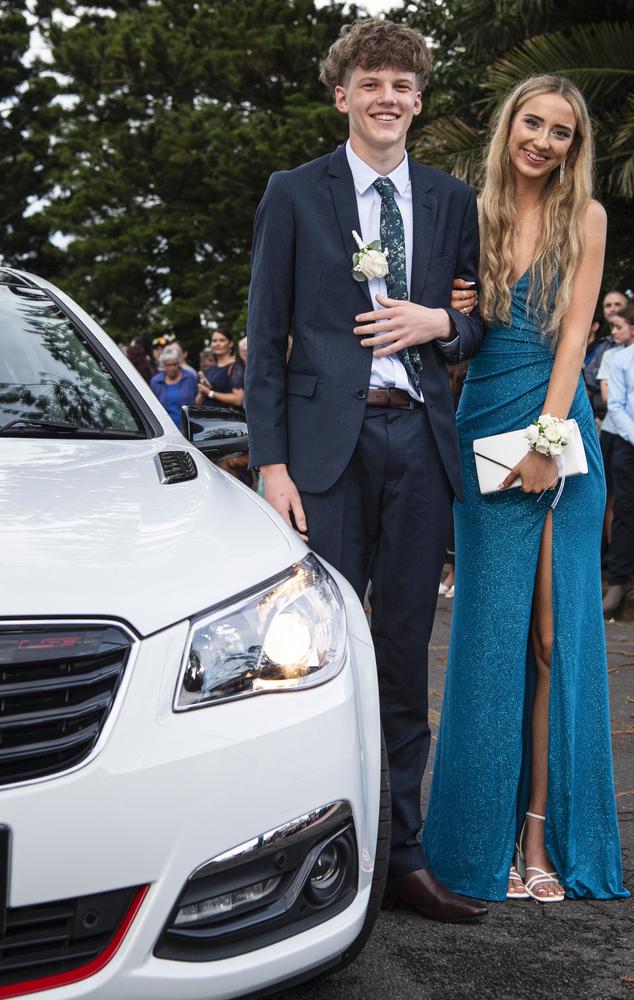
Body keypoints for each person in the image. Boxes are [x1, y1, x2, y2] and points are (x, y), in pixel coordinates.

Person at [246, 18, 486, 922]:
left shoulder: (450, 198)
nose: (389, 97)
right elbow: (266, 337)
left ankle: (403, 854)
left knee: (401, 648)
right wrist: (272, 463)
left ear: (420, 102)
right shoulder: (293, 193)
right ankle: (305, 849)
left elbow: (475, 322)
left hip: (421, 445)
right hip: (322, 457)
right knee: (314, 651)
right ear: (342, 94)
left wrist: (440, 325)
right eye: (371, 82)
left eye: (404, 85)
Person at [423, 76, 628, 903]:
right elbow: (456, 343)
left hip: (559, 430)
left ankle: (541, 833)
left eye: (562, 132)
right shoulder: (464, 212)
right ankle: (481, 836)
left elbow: (577, 333)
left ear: (576, 147)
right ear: (509, 126)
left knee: (554, 641)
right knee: (490, 639)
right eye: (532, 123)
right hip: (483, 428)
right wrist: (451, 313)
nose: (542, 141)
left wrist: (550, 439)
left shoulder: (588, 218)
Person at [602, 306, 634, 616]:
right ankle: (618, 582)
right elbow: (617, 405)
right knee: (624, 508)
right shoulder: (621, 359)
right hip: (627, 442)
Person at [149, 345, 198, 430]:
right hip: (165, 429)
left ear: (178, 363)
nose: (172, 368)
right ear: (163, 365)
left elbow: (197, 403)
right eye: (169, 365)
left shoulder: (190, 378)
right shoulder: (156, 382)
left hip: (188, 428)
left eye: (174, 364)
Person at [196, 330, 245, 411]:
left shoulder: (236, 367)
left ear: (230, 344)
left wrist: (210, 393)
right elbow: (197, 403)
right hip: (207, 420)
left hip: (226, 421)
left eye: (222, 340)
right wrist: (203, 390)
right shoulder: (210, 369)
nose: (217, 344)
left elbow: (238, 400)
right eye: (214, 341)